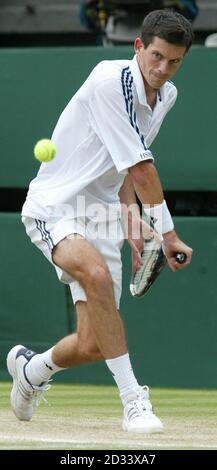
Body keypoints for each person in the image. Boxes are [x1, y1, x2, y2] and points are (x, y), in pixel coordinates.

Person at [7, 9, 193, 434]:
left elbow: (125, 167)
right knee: (95, 274)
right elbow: (143, 169)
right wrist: (167, 233)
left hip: (105, 213)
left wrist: (131, 222)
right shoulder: (109, 79)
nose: (163, 69)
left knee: (93, 344)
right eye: (157, 56)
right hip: (58, 205)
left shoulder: (167, 96)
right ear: (139, 47)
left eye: (175, 61)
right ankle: (134, 402)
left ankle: (32, 370)